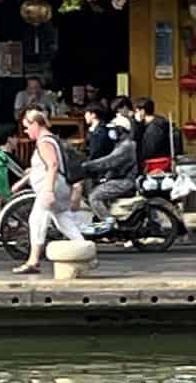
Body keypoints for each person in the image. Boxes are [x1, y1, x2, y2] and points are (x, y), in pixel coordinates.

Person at [12, 108, 84, 273]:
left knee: (36, 220)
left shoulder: (44, 141)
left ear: (36, 124)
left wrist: (48, 191)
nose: (26, 131)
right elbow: (42, 167)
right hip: (59, 186)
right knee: (63, 220)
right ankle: (87, 253)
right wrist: (22, 182)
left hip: (52, 186)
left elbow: (52, 165)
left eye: (27, 126)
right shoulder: (51, 139)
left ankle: (33, 260)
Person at [81, 104, 140, 229]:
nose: (111, 132)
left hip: (124, 181)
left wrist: (88, 165)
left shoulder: (126, 146)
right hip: (117, 178)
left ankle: (110, 224)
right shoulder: (120, 144)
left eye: (114, 129)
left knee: (94, 196)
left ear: (121, 130)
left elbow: (109, 162)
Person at [134, 97, 176, 173]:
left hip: (154, 165)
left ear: (142, 111)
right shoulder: (156, 123)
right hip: (159, 163)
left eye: (136, 111)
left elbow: (148, 150)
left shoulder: (154, 128)